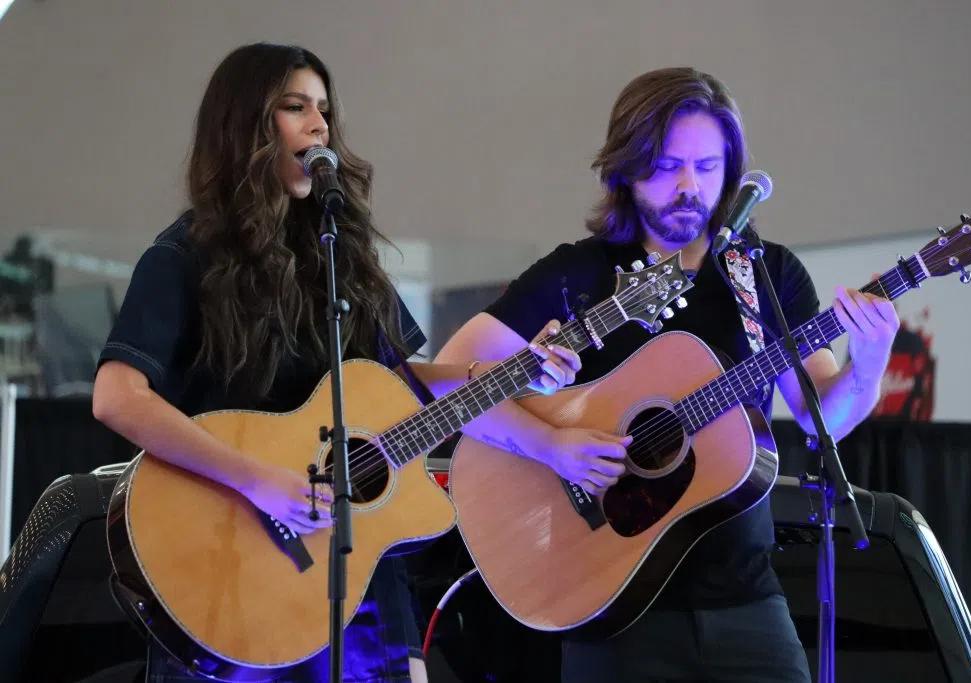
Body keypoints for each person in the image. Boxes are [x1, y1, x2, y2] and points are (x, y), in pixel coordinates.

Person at [91, 42, 586, 683]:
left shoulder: (340, 255)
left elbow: (401, 384)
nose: (320, 125)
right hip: (231, 568)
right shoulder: (185, 256)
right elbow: (117, 396)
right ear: (243, 124)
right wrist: (257, 479)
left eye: (324, 109)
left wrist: (510, 372)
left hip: (358, 575)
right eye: (295, 107)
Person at [435, 67, 900, 682]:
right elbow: (445, 379)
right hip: (611, 598)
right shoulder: (578, 275)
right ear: (626, 168)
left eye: (708, 168)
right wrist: (552, 445)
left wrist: (870, 362)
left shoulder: (764, 273)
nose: (689, 187)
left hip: (746, 598)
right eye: (667, 166)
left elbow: (826, 423)